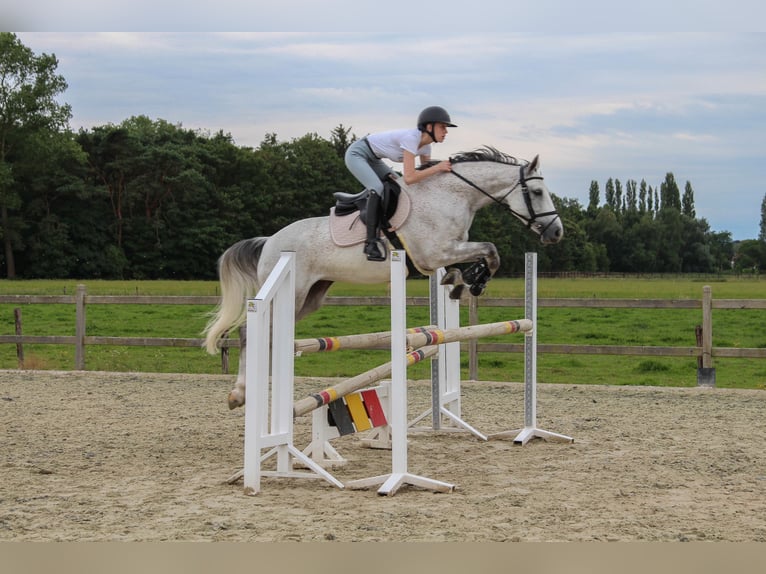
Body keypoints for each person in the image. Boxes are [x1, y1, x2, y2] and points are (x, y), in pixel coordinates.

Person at [344, 105, 457, 261]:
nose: (446, 132)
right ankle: (370, 243)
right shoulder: (412, 139)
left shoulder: (425, 148)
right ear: (429, 127)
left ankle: (390, 223)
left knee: (398, 185)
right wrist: (438, 167)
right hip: (357, 153)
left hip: (374, 158)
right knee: (376, 188)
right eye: (443, 127)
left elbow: (422, 178)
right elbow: (410, 178)